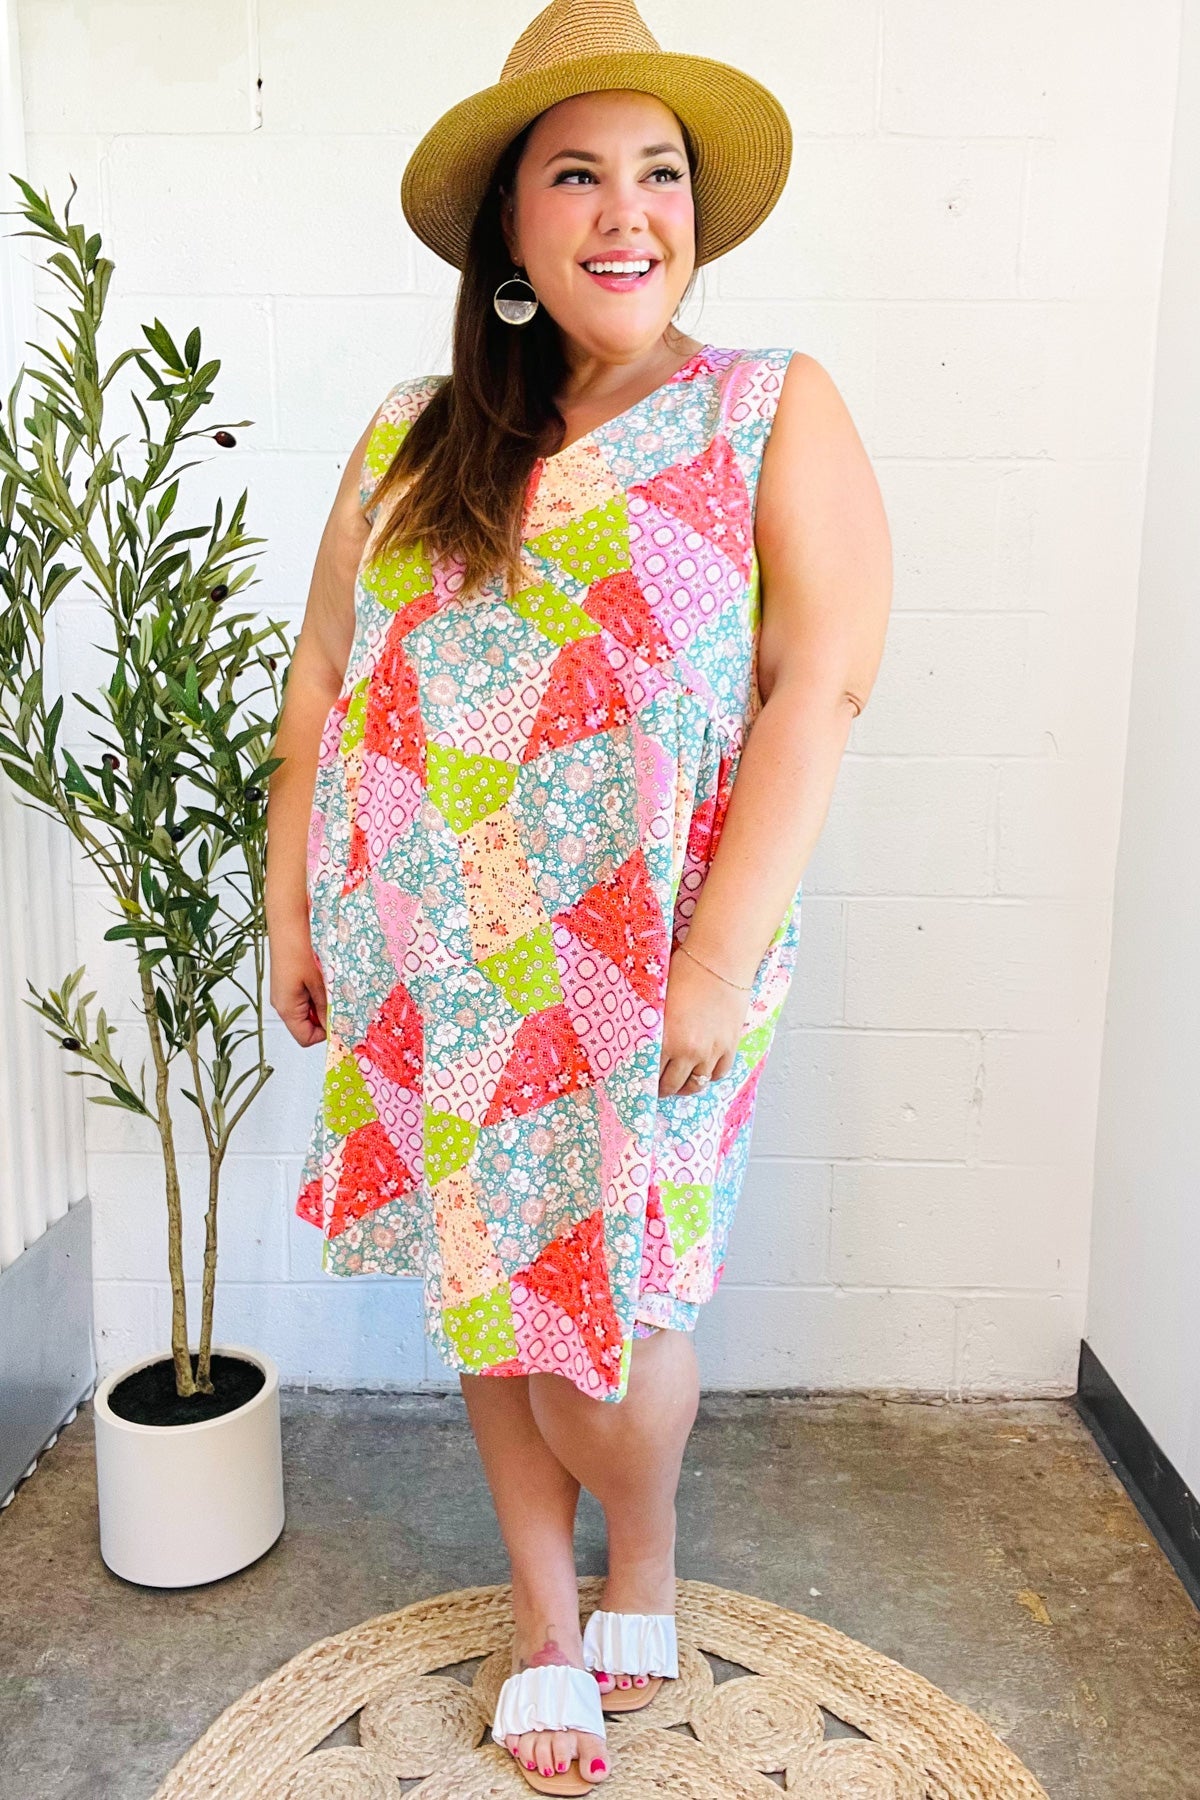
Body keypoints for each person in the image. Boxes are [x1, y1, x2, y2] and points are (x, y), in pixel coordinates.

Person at [264, 0, 891, 1789]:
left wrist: (718, 959)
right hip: (439, 960)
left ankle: (647, 1540)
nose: (630, 212)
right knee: (492, 1297)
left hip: (660, 968)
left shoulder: (767, 408)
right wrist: (292, 906)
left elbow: (822, 682)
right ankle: (549, 1616)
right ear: (512, 232)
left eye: (660, 174)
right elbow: (325, 677)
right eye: (579, 176)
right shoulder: (413, 437)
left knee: (609, 1356)